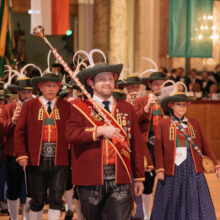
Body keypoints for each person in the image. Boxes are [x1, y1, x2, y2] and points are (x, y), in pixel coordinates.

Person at [65, 59, 145, 220]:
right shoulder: (78, 107)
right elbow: (70, 135)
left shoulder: (126, 108)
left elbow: (136, 144)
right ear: (91, 83)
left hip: (120, 177)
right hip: (90, 178)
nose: (107, 83)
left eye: (110, 79)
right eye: (101, 79)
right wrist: (99, 131)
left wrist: (138, 177)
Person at [151, 91, 220, 220]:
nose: (182, 107)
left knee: (194, 196)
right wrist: (159, 168)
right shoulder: (163, 124)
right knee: (171, 198)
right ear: (172, 106)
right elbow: (158, 149)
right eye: (178, 104)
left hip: (192, 165)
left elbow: (204, 145)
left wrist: (215, 163)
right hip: (171, 167)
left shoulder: (194, 122)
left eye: (184, 104)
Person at [14, 71, 72, 220]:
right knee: (37, 198)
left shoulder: (66, 106)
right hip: (36, 158)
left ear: (59, 88)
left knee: (56, 198)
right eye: (47, 86)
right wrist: (22, 154)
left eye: (54, 86)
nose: (51, 89)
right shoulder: (29, 105)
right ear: (40, 87)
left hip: (60, 159)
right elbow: (19, 132)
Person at [0, 67, 34, 220]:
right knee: (13, 189)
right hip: (13, 154)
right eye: (23, 92)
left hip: (33, 154)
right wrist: (13, 119)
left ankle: (27, 218)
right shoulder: (8, 107)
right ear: (18, 92)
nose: (26, 94)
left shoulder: (37, 106)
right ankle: (14, 218)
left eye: (28, 91)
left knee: (31, 190)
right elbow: (1, 131)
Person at [134, 71, 166, 220]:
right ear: (150, 85)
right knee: (146, 183)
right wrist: (146, 107)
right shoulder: (141, 100)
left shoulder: (167, 102)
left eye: (161, 84)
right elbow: (135, 121)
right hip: (146, 146)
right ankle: (146, 215)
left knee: (163, 182)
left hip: (163, 147)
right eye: (156, 84)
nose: (159, 86)